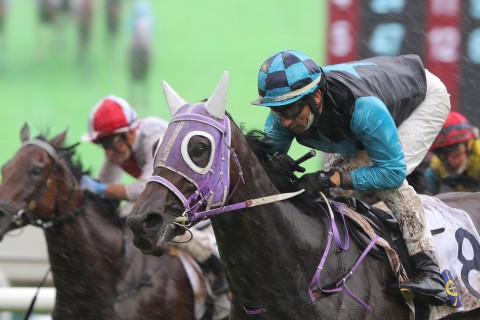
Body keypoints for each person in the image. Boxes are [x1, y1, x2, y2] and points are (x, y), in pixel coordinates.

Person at [252, 50, 451, 306]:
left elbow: (391, 173)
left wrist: (334, 178)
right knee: (326, 190)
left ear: (316, 96)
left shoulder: (363, 109)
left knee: (388, 186)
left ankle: (430, 270)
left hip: (422, 99)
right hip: (377, 98)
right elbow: (265, 163)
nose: (286, 121)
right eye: (278, 111)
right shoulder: (288, 108)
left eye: (291, 110)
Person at [80, 95, 227, 295]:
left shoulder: (154, 135)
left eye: (111, 143)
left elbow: (143, 188)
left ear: (130, 132)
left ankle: (214, 261)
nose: (109, 153)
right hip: (171, 197)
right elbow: (106, 183)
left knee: (147, 220)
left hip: (195, 198)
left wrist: (102, 189)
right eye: (103, 146)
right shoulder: (121, 144)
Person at [424, 111, 480, 194]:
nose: (449, 160)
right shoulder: (436, 166)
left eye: (455, 151)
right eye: (442, 154)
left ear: (468, 145)